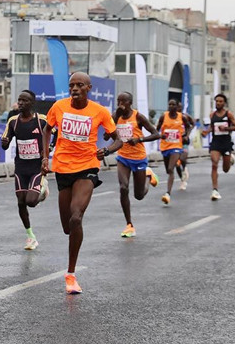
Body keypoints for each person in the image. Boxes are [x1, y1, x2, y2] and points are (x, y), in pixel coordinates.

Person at [42, 72, 117, 295]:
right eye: (72, 85)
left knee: (76, 217)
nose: (74, 88)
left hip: (88, 167)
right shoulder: (59, 107)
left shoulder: (99, 111)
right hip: (63, 168)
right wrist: (45, 157)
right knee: (67, 226)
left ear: (89, 88)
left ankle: (71, 274)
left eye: (79, 85)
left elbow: (118, 139)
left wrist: (107, 150)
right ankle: (71, 264)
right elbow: (47, 129)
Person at [103, 92, 161, 237]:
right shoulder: (115, 116)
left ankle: (148, 175)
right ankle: (129, 224)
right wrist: (114, 119)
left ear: (130, 103)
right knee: (123, 187)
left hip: (139, 158)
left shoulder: (138, 117)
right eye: (118, 101)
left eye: (123, 101)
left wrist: (139, 139)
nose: (120, 104)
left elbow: (156, 134)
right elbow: (105, 136)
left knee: (139, 196)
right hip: (123, 157)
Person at [1, 90, 49, 250]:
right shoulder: (13, 121)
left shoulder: (41, 120)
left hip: (37, 167)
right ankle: (30, 236)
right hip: (21, 167)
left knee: (31, 202)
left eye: (25, 101)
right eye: (19, 100)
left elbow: (53, 134)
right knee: (21, 202)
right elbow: (5, 143)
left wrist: (47, 152)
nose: (20, 103)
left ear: (32, 103)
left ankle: (43, 190)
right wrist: (5, 141)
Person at [200, 94, 235, 201]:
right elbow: (212, 127)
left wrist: (226, 128)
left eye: (220, 101)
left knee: (225, 169)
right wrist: (206, 132)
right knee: (214, 163)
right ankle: (215, 190)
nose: (218, 103)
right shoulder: (212, 115)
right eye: (217, 101)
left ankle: (230, 159)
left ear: (224, 103)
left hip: (226, 143)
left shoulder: (229, 114)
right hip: (215, 142)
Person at [156, 99, 191, 205]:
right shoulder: (163, 116)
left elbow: (189, 126)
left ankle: (167, 194)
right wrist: (160, 135)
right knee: (168, 170)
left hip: (176, 146)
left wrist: (186, 136)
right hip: (165, 146)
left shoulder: (182, 117)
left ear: (177, 106)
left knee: (171, 169)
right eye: (169, 104)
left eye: (173, 104)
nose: (171, 106)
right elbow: (157, 129)